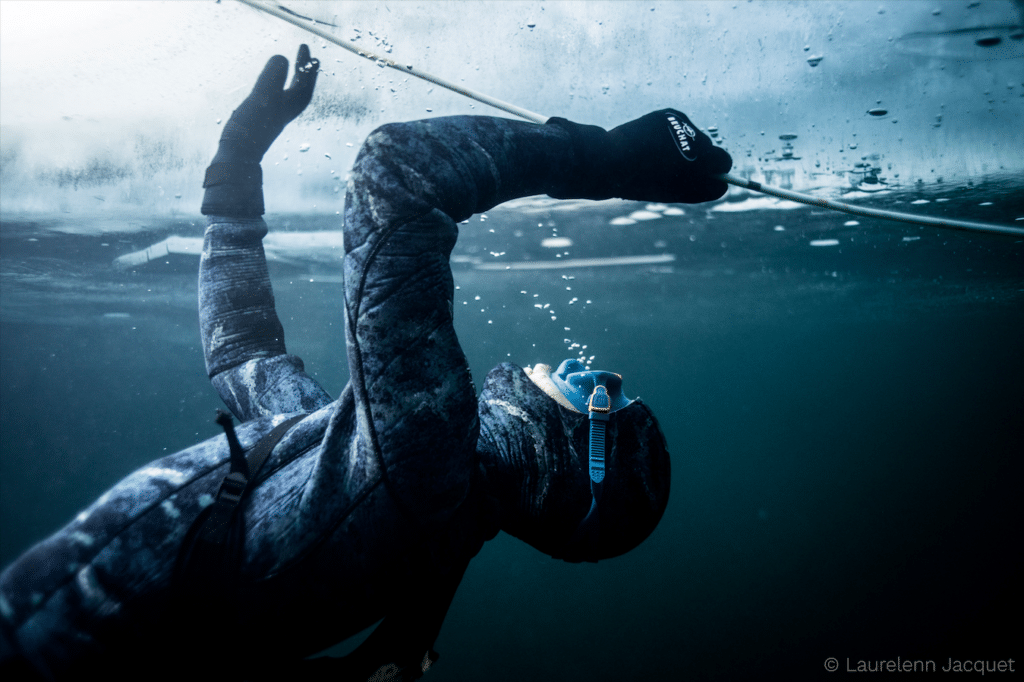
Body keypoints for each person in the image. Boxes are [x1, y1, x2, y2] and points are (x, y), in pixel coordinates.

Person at [0, 46, 731, 681]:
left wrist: (603, 158)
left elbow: (396, 174)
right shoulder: (395, 482)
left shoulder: (425, 467)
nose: (595, 369)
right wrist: (235, 168)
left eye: (606, 397)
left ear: (575, 457)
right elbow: (244, 359)